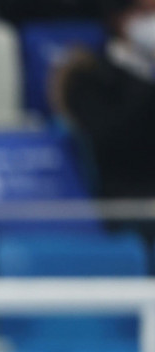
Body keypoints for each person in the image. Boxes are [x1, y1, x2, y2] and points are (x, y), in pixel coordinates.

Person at [53, 0, 155, 205]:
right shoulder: (87, 74)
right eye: (145, 13)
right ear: (118, 18)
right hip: (128, 200)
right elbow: (110, 139)